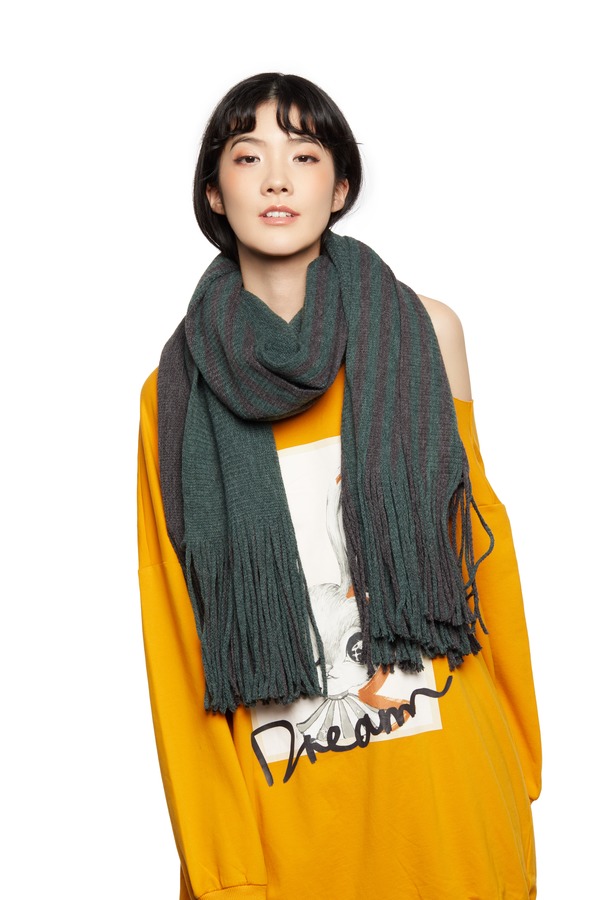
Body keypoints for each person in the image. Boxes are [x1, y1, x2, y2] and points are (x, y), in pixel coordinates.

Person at [137, 72, 541, 900]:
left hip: (447, 788)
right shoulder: (172, 394)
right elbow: (173, 622)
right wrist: (220, 861)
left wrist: (517, 751)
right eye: (248, 156)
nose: (276, 179)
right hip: (284, 809)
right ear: (214, 193)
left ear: (341, 186)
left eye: (304, 154)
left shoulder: (426, 333)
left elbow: (481, 547)